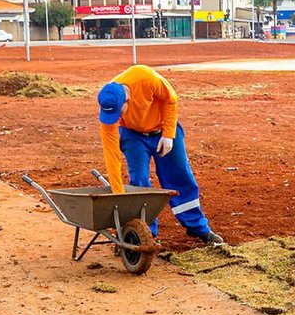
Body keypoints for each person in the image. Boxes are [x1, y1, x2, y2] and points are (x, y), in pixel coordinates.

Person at [96, 64, 226, 248]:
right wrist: (118, 194)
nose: (115, 118)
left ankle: (198, 227)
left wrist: (168, 134)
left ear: (127, 101)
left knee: (179, 176)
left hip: (162, 128)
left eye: (119, 113)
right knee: (139, 181)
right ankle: (145, 233)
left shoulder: (144, 77)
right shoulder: (109, 106)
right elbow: (112, 156)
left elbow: (171, 100)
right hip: (133, 136)